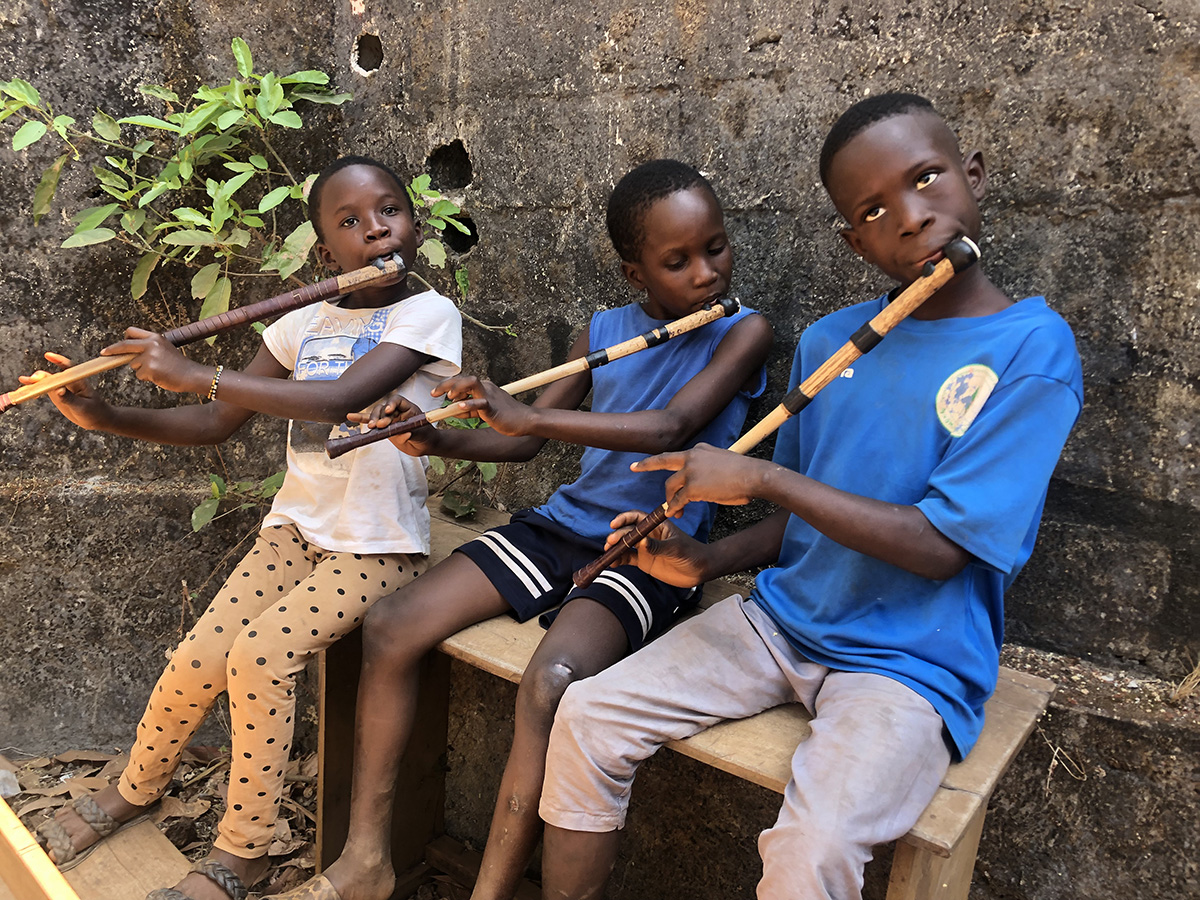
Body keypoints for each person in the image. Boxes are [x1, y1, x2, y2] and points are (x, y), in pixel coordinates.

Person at [535, 93, 1085, 900]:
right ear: (852, 239)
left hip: (910, 664)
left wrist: (758, 476)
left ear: (973, 174)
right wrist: (706, 557)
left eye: (927, 178)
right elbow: (797, 521)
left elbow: (944, 547)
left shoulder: (1031, 349)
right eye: (873, 209)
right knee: (586, 716)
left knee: (812, 848)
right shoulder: (832, 342)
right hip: (779, 620)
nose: (910, 215)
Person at [271, 159, 774, 900]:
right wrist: (433, 436)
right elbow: (520, 442)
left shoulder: (744, 330)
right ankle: (365, 862)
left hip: (648, 548)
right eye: (677, 261)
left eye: (716, 248)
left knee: (551, 681)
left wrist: (525, 409)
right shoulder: (602, 332)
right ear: (636, 274)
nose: (706, 274)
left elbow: (674, 425)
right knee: (392, 625)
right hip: (560, 526)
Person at [22, 155, 463, 900]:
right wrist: (104, 416)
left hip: (377, 542)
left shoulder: (425, 315)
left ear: (413, 222)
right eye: (350, 223)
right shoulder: (302, 321)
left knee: (260, 656)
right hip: (296, 528)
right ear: (327, 252)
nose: (375, 230)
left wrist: (199, 371)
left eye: (388, 211)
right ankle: (137, 786)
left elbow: (341, 398)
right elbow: (220, 422)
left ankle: (244, 852)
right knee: (200, 655)